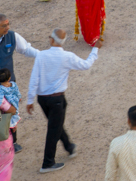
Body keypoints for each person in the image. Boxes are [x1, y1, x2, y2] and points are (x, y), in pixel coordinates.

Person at [27, 27, 99, 173]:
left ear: (52, 39)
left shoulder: (41, 56)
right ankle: (47, 163)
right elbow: (86, 65)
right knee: (54, 128)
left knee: (56, 124)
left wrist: (30, 100)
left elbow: (34, 79)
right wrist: (95, 50)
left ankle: (69, 146)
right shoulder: (68, 56)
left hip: (43, 99)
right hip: (57, 99)